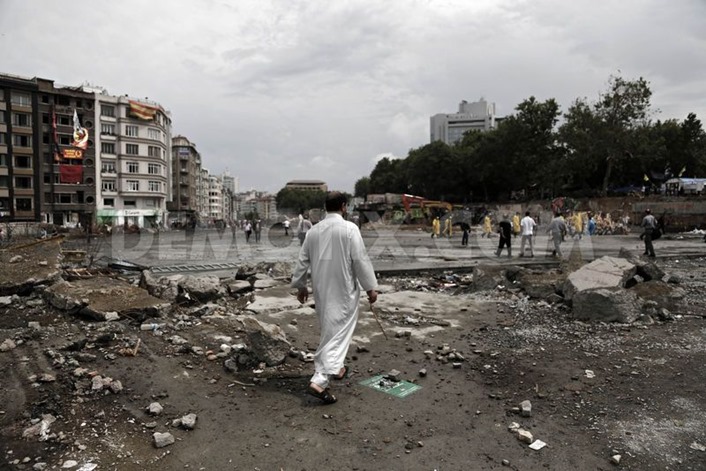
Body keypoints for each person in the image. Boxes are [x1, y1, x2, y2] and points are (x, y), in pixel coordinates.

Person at [291, 192, 378, 405]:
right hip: (344, 290)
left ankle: (337, 368)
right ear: (344, 207)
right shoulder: (349, 229)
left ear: (325, 207)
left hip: (321, 289)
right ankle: (320, 380)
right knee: (338, 332)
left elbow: (303, 260)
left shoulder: (314, 231)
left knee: (331, 329)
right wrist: (370, 288)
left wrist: (301, 286)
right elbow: (360, 260)